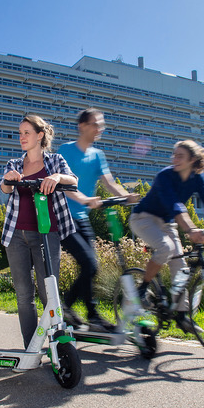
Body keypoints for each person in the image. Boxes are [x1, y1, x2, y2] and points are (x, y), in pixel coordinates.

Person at [129, 140, 204, 334]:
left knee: (180, 267)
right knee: (166, 248)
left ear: (193, 160)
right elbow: (175, 206)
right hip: (143, 218)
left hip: (166, 222)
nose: (175, 159)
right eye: (174, 155)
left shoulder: (197, 178)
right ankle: (142, 288)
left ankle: (181, 316)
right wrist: (191, 229)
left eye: (180, 156)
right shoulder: (165, 176)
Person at [58, 108, 140, 331]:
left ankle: (91, 315)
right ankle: (68, 307)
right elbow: (63, 185)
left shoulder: (97, 155)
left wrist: (126, 196)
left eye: (101, 125)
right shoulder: (65, 150)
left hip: (82, 219)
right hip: (63, 217)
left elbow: (109, 182)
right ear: (82, 126)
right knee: (90, 265)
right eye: (95, 124)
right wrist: (84, 199)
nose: (99, 129)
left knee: (91, 267)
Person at [0, 114, 78, 348]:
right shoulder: (14, 164)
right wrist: (8, 179)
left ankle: (59, 347)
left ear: (40, 135)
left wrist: (55, 177)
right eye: (20, 133)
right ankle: (31, 348)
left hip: (46, 233)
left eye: (27, 133)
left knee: (48, 293)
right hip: (16, 235)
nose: (22, 137)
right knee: (24, 296)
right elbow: (4, 188)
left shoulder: (55, 160)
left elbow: (73, 180)